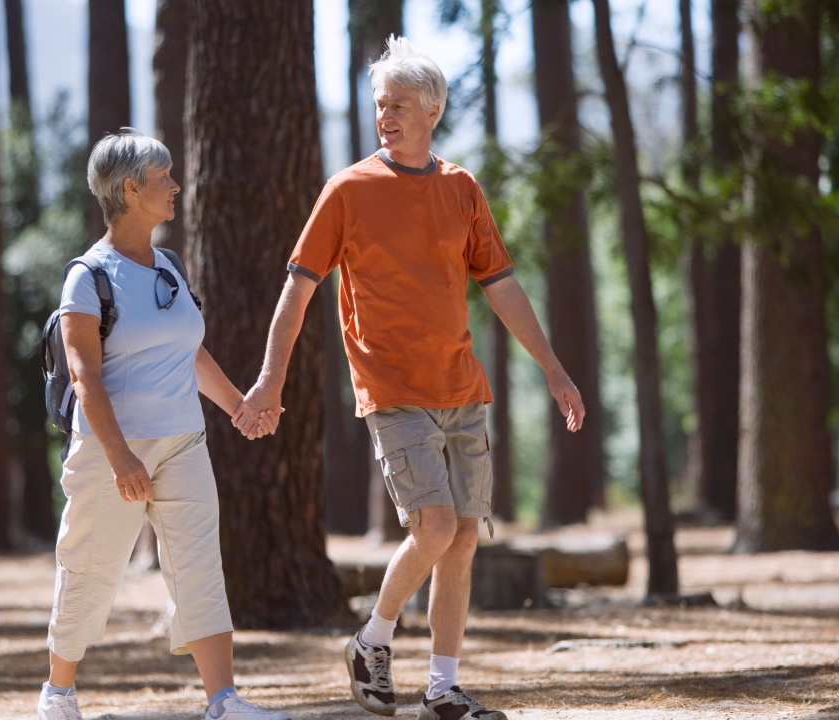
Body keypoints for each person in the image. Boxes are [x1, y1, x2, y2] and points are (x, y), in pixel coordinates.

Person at [244, 37, 584, 720]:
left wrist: (553, 368)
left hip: (463, 392)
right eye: (378, 105)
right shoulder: (347, 190)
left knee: (461, 539)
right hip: (393, 392)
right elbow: (297, 290)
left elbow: (504, 286)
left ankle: (442, 688)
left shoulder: (461, 189)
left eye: (398, 105)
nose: (384, 116)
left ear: (432, 109)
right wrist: (269, 379)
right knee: (431, 528)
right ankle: (371, 640)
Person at [37, 129, 288, 720]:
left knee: (200, 566)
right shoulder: (88, 276)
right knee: (90, 568)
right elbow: (84, 380)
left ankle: (223, 701)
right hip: (111, 451)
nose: (175, 185)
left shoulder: (169, 267)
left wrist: (239, 408)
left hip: (184, 442)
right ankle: (59, 691)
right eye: (163, 177)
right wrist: (122, 457)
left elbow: (189, 352)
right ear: (129, 189)